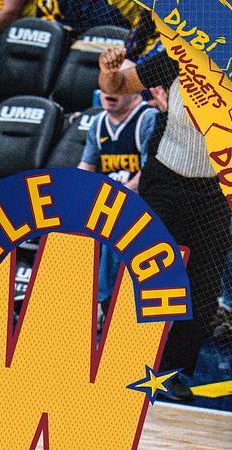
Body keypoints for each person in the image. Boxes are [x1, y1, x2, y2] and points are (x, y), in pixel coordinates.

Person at [98, 45, 231, 401]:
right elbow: (117, 85)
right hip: (165, 180)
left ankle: (174, 373)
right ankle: (121, 360)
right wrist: (108, 71)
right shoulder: (180, 55)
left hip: (215, 192)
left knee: (202, 292)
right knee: (145, 273)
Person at [78, 75, 157, 306]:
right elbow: (85, 169)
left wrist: (113, 198)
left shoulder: (148, 119)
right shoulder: (98, 122)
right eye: (105, 85)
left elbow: (148, 175)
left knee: (114, 220)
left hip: (143, 200)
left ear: (135, 90)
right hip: (109, 199)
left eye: (118, 85)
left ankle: (104, 302)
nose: (109, 91)